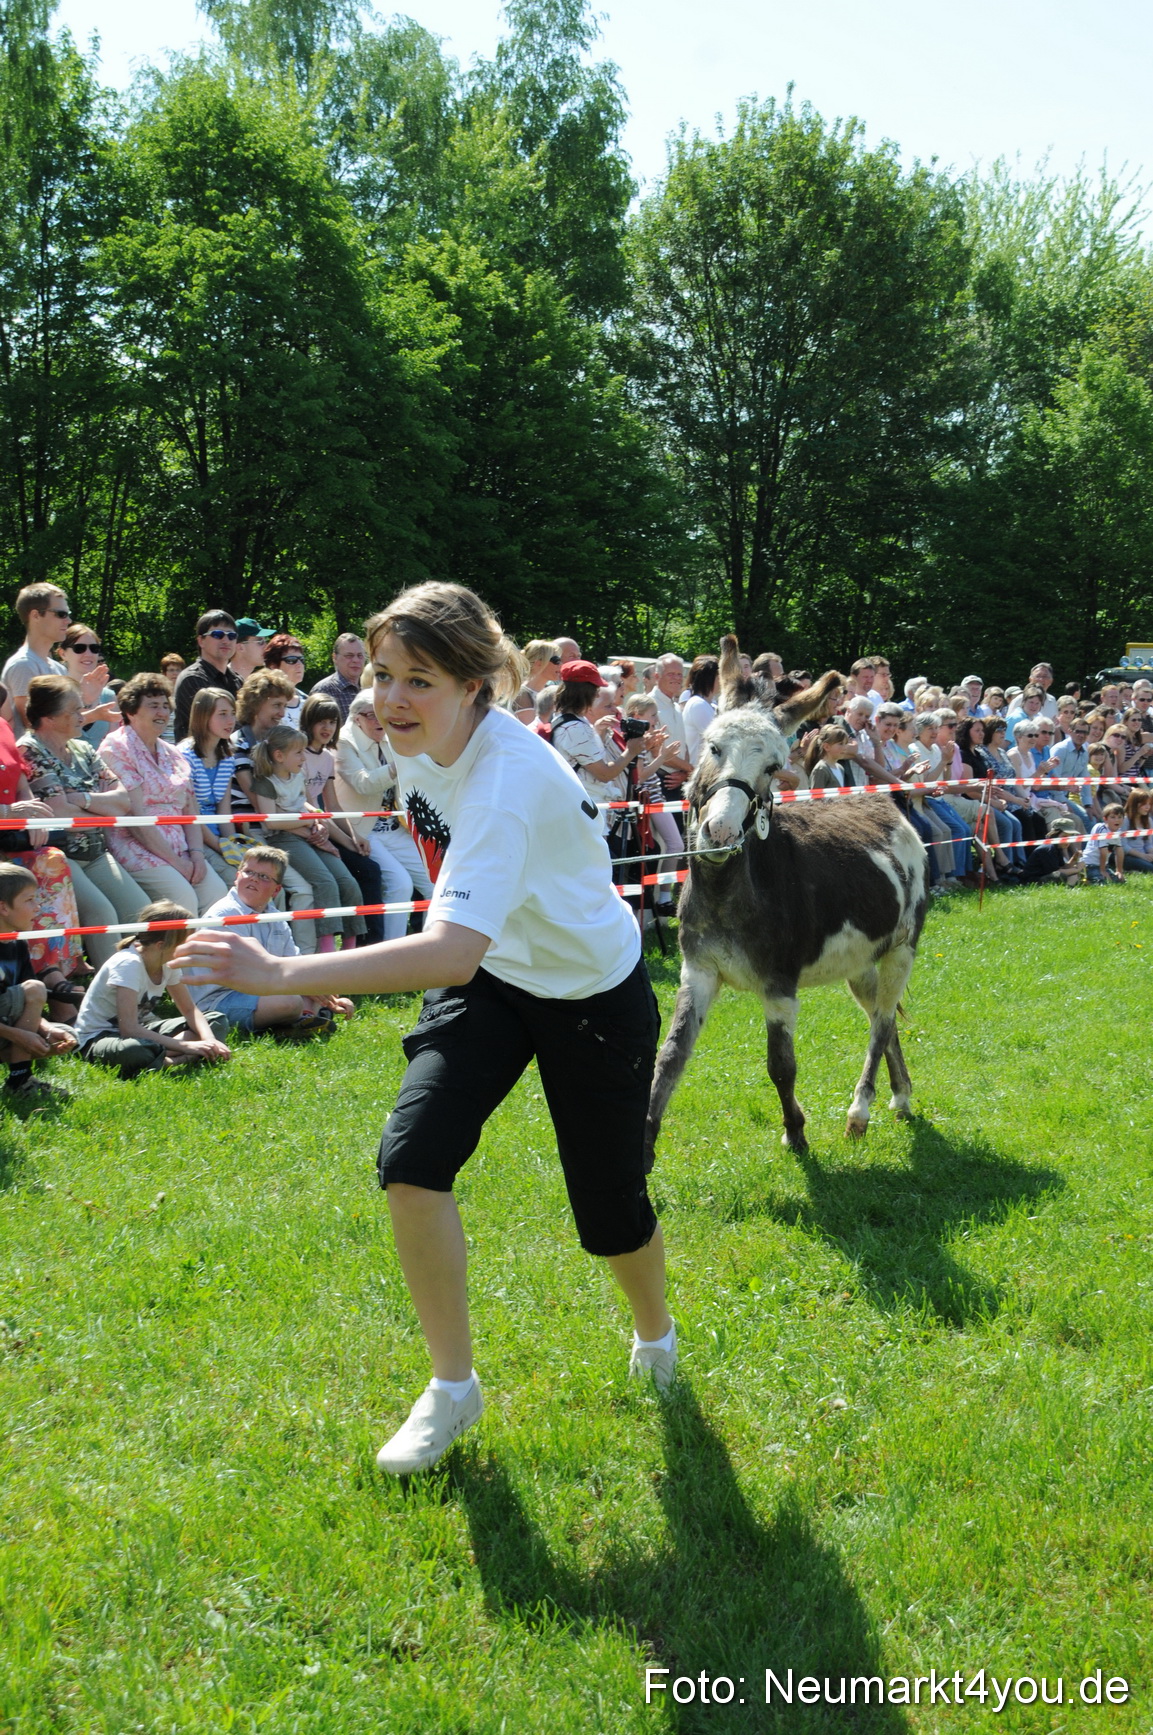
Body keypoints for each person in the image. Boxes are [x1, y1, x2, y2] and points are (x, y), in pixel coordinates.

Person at [175, 581, 674, 1479]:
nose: (393, 698)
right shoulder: (416, 741)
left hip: (588, 991)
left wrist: (279, 971)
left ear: (477, 685)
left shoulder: (509, 777)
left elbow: (444, 949)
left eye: (421, 680)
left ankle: (656, 1336)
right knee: (412, 1160)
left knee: (608, 1210)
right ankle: (452, 1387)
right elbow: (460, 943)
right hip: (491, 976)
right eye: (387, 675)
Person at [18, 675, 145, 969]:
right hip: (60, 856)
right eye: (75, 710)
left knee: (140, 911)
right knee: (102, 914)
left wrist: (81, 800)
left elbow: (123, 800)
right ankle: (110, 1002)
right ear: (49, 717)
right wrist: (99, 812)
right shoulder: (31, 749)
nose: (83, 715)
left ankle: (140, 992)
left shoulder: (84, 748)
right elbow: (59, 817)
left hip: (97, 853)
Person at [185, 846, 353, 1038]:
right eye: (249, 872)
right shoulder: (224, 916)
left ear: (276, 890)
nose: (254, 878)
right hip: (219, 1000)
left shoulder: (274, 916)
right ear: (237, 876)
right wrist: (303, 987)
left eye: (264, 877)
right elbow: (247, 976)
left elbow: (294, 962)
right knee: (289, 1001)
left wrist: (324, 993)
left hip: (263, 988)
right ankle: (302, 1018)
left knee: (314, 980)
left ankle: (304, 1020)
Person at [101, 673, 229, 915]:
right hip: (136, 845)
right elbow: (135, 818)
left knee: (217, 896)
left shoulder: (173, 753)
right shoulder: (116, 747)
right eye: (153, 706)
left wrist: (197, 855)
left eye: (164, 706)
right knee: (182, 900)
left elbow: (190, 810)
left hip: (181, 846)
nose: (162, 712)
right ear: (131, 711)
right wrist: (176, 862)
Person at [73, 901, 233, 1077]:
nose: (190, 947)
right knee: (134, 1050)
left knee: (215, 1020)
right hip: (100, 1039)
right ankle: (178, 1059)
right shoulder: (129, 964)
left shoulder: (168, 963)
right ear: (161, 945)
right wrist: (187, 1046)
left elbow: (189, 1009)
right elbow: (129, 1029)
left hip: (143, 1031)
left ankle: (163, 1058)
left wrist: (209, 1040)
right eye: (185, 941)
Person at [249, 725, 366, 951]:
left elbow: (304, 802)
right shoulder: (265, 781)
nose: (304, 757)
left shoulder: (298, 774)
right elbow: (271, 821)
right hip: (283, 839)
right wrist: (308, 822)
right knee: (325, 882)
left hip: (307, 832)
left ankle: (350, 946)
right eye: (299, 753)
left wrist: (318, 819)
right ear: (279, 756)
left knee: (348, 881)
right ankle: (326, 947)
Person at [333, 692, 430, 943]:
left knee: (435, 881)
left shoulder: (390, 736)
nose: (380, 721)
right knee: (400, 884)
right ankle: (391, 954)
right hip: (363, 831)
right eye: (371, 715)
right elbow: (362, 784)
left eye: (382, 714)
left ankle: (435, 951)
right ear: (356, 719)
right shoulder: (344, 743)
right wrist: (398, 766)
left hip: (396, 827)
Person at [300, 693, 384, 946]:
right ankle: (332, 951)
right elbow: (307, 805)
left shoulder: (327, 757)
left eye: (332, 722)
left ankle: (365, 948)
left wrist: (355, 837)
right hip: (305, 829)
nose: (327, 728)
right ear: (309, 721)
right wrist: (348, 843)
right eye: (321, 722)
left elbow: (333, 805)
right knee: (342, 879)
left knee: (366, 872)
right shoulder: (297, 752)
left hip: (322, 827)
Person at [550, 661, 658, 841]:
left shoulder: (567, 720)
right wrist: (631, 751)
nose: (598, 692)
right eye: (596, 688)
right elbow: (605, 774)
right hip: (584, 815)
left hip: (582, 811)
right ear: (585, 691)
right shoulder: (575, 728)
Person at [0, 860, 76, 1101]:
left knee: (65, 1035)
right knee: (34, 987)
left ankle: (19, 1077)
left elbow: (26, 1003)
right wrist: (18, 1036)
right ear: (3, 908)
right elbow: (33, 993)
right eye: (29, 900)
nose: (38, 908)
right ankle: (20, 1080)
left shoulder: (18, 942)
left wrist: (47, 1028)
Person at [179, 687, 241, 883]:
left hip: (218, 841)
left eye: (232, 713)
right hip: (194, 840)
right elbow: (190, 813)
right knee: (237, 881)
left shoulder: (228, 755)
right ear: (203, 716)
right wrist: (222, 847)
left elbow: (224, 809)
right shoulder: (184, 756)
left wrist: (232, 846)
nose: (230, 721)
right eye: (222, 714)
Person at [3, 583, 70, 728]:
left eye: (68, 614)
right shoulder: (23, 664)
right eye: (61, 614)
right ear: (36, 615)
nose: (68, 621)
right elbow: (36, 727)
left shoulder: (59, 669)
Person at [172, 611, 243, 741]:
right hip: (197, 758)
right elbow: (214, 727)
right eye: (218, 635)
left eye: (232, 636)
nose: (226, 640)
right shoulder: (192, 679)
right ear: (201, 641)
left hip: (230, 757)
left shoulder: (237, 680)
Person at [58, 624, 120, 746]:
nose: (88, 654)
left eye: (94, 648)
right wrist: (86, 701)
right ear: (63, 654)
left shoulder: (108, 695)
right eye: (79, 648)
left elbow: (115, 743)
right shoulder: (54, 692)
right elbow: (53, 733)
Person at [308, 632, 367, 722]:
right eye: (349, 656)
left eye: (360, 655)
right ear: (335, 658)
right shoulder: (324, 690)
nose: (356, 660)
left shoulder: (369, 688)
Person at [681, 656, 719, 768]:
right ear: (710, 678)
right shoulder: (698, 704)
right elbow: (717, 739)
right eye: (719, 676)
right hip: (699, 770)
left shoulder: (710, 705)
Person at [264, 634, 309, 726]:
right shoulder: (262, 702)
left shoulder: (308, 702)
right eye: (292, 660)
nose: (299, 664)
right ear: (273, 666)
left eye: (301, 659)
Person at [1082, 806, 1127, 885]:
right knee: (1101, 883)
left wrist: (1119, 871)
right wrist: (1102, 871)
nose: (1117, 820)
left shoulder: (1118, 831)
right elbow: (1103, 851)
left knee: (1119, 881)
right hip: (1090, 864)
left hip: (1103, 865)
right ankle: (1085, 879)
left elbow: (1119, 850)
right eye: (1113, 817)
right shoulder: (1101, 828)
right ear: (1105, 819)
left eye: (1120, 817)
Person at [230, 618, 273, 683]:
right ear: (240, 647)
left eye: (265, 641)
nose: (266, 647)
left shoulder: (254, 685)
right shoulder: (221, 683)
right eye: (260, 642)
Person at [1121, 789, 1153, 873]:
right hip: (1128, 856)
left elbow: (1148, 844)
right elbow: (1123, 846)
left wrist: (1151, 855)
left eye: (1149, 804)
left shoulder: (1148, 820)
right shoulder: (1124, 820)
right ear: (1135, 804)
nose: (1148, 807)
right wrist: (1142, 856)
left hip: (1144, 854)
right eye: (1144, 804)